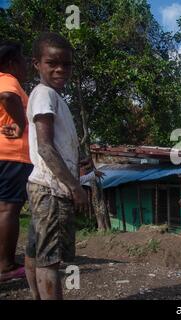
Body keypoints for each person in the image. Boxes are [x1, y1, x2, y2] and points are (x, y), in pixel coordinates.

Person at [24, 32, 88, 300]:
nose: (61, 69)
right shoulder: (44, 95)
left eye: (67, 64)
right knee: (50, 260)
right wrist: (75, 187)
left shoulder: (52, 97)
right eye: (52, 63)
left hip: (42, 186)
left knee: (35, 252)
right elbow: (46, 147)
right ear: (36, 63)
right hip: (52, 190)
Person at [0, 41, 34, 282]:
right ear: (12, 63)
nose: (26, 66)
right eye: (23, 60)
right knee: (9, 209)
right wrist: (22, 124)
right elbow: (8, 96)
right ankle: (6, 266)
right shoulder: (7, 79)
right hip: (12, 155)